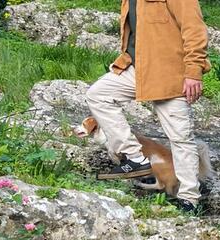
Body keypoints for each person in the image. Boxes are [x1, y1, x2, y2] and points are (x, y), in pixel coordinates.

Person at [86, 0, 210, 212]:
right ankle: (135, 157)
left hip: (169, 73)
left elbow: (194, 29)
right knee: (98, 95)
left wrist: (193, 71)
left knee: (180, 137)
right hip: (137, 70)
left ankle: (190, 199)